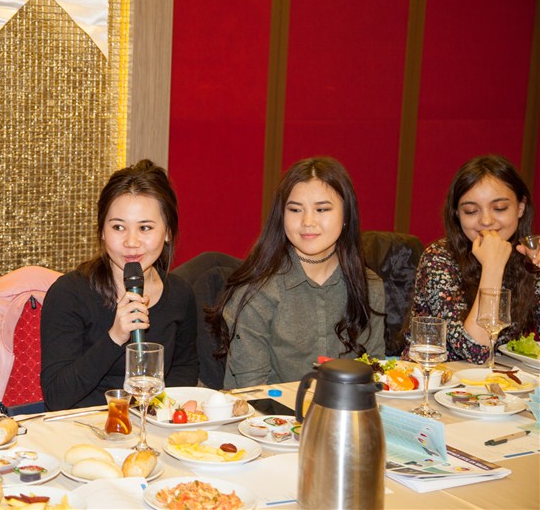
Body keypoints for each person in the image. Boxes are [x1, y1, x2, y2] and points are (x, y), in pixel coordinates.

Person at [208, 157, 386, 387]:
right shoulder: (257, 291)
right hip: (270, 408)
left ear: (346, 215)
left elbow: (374, 373)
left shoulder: (368, 285)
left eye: (322, 209)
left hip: (348, 408)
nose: (308, 221)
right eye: (295, 210)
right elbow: (253, 391)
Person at [40, 159, 198, 410]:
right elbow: (56, 396)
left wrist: (158, 412)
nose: (131, 242)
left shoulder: (180, 293)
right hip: (84, 424)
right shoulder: (69, 293)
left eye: (145, 228)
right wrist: (114, 337)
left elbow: (184, 369)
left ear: (168, 232)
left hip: (152, 421)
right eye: (118, 227)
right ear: (102, 230)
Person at [407, 155, 539, 363]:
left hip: (506, 379)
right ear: (457, 214)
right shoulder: (439, 258)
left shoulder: (528, 257)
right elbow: (476, 351)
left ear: (521, 207)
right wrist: (492, 266)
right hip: (438, 378)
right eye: (471, 211)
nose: (486, 220)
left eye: (499, 208)